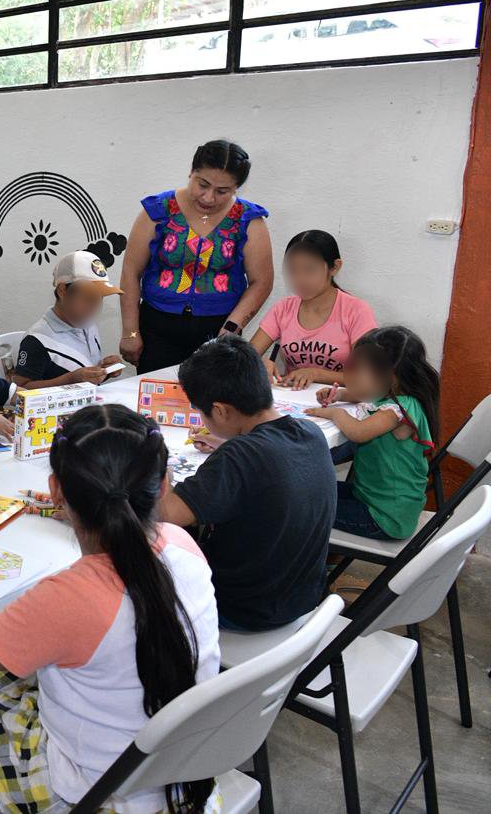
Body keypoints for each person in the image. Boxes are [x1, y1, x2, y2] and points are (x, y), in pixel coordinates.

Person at [0, 404, 220, 813]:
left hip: (95, 788)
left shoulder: (75, 594)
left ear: (55, 491)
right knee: (22, 683)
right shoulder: (181, 543)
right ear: (163, 487)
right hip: (177, 770)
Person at [160, 335, 335, 631]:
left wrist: (155, 461)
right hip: (301, 598)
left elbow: (165, 514)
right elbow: (265, 463)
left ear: (220, 410)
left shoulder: (239, 457)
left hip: (240, 609)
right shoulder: (308, 432)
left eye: (201, 412)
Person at [118, 139, 274, 374]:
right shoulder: (158, 210)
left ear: (236, 189)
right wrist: (130, 332)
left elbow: (262, 282)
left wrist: (232, 328)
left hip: (218, 331)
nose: (208, 197)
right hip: (157, 327)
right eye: (202, 184)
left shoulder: (248, 220)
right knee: (157, 401)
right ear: (191, 172)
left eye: (222, 191)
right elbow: (131, 271)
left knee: (213, 403)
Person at [305, 326, 438, 540]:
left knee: (301, 504)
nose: (354, 375)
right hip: (373, 498)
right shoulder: (395, 397)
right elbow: (367, 396)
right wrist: (339, 394)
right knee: (308, 489)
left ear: (390, 375)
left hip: (383, 517)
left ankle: (317, 561)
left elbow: (358, 433)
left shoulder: (397, 411)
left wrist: (335, 413)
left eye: (360, 370)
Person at [251, 230, 377, 390]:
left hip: (341, 403)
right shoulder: (283, 308)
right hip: (293, 400)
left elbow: (369, 377)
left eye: (309, 270)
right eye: (293, 270)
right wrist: (260, 363)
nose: (300, 279)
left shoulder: (356, 311)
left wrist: (316, 374)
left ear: (335, 267)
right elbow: (246, 355)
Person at [14, 250, 125, 388]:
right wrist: (70, 380)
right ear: (62, 291)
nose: (94, 306)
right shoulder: (38, 339)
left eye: (100, 298)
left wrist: (105, 371)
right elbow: (20, 390)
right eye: (87, 298)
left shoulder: (89, 325)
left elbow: (84, 375)